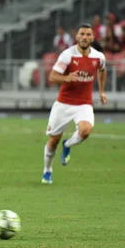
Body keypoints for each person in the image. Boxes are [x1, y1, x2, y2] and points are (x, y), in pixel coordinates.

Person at [42, 24, 108, 185]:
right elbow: (52, 76)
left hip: (84, 104)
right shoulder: (67, 55)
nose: (85, 37)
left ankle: (68, 144)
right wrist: (67, 78)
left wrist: (101, 91)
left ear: (92, 38)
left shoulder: (99, 57)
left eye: (88, 34)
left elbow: (102, 70)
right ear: (77, 37)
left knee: (86, 131)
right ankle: (47, 170)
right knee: (53, 141)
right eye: (82, 34)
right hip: (63, 104)